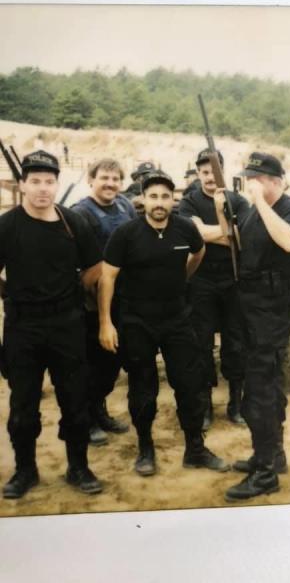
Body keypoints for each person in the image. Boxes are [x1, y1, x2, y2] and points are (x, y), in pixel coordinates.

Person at [98, 169, 229, 476]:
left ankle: (195, 448)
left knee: (190, 384)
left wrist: (182, 278)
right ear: (143, 199)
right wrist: (106, 322)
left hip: (177, 318)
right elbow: (108, 277)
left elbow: (198, 253)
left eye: (165, 197)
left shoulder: (185, 229)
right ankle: (145, 447)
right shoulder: (126, 234)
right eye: (153, 196)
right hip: (136, 321)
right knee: (143, 388)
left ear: (173, 200)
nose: (159, 202)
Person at [0, 150, 103, 499]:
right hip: (22, 327)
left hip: (67, 324)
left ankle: (79, 467)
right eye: (35, 182)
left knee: (75, 401)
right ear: (22, 185)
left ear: (57, 184)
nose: (43, 189)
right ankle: (25, 470)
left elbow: (94, 267)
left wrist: (71, 293)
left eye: (49, 181)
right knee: (22, 407)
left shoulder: (74, 223)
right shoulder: (6, 226)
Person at [223, 152, 290, 502]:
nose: (251, 185)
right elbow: (241, 243)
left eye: (257, 180)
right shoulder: (253, 212)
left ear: (275, 181)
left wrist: (259, 201)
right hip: (252, 304)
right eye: (249, 179)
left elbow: (289, 242)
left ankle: (265, 475)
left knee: (261, 387)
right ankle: (271, 455)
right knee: (264, 383)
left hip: (274, 308)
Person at [178, 149, 250, 430]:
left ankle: (236, 403)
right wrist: (227, 230)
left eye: (214, 170)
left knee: (236, 341)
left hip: (233, 279)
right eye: (204, 171)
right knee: (202, 343)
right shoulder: (189, 202)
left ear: (223, 170)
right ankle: (205, 403)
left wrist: (219, 229)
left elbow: (243, 239)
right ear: (198, 173)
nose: (209, 177)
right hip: (201, 281)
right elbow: (194, 235)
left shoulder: (238, 201)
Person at [71, 158, 136, 446]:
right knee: (90, 362)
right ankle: (85, 420)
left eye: (115, 179)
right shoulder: (79, 213)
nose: (110, 184)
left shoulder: (126, 206)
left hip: (122, 297)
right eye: (104, 178)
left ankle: (99, 410)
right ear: (91, 180)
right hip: (89, 302)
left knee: (112, 362)